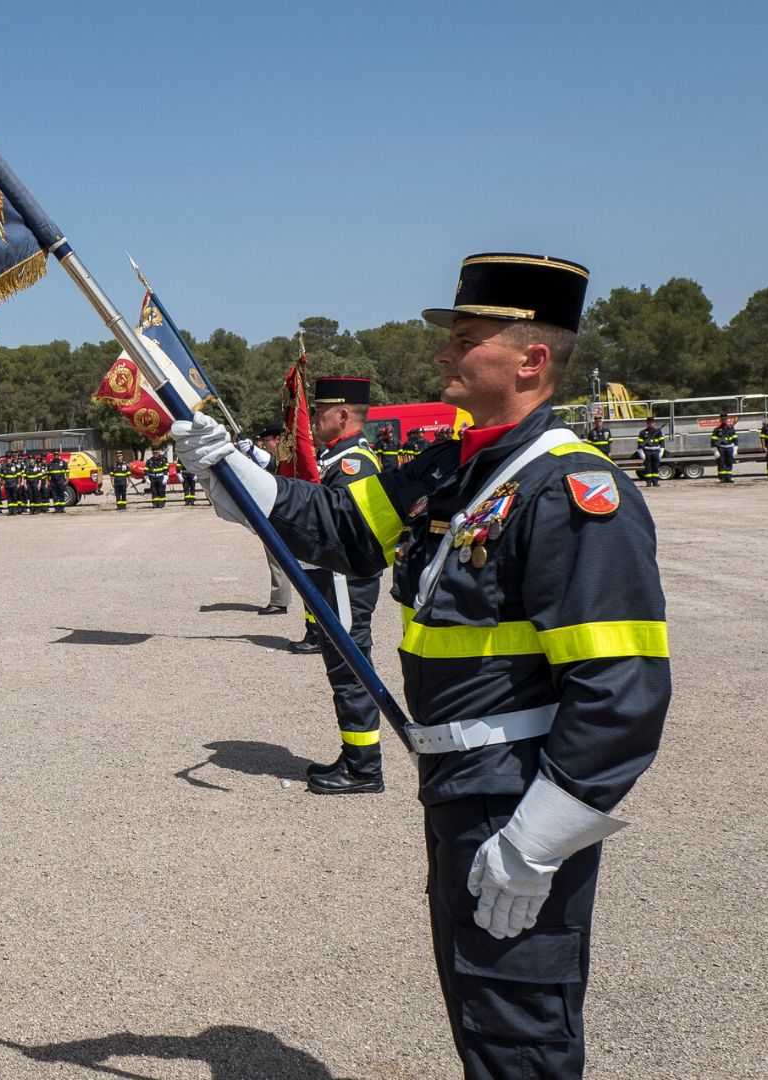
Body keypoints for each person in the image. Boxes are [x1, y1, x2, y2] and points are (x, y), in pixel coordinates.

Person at [175, 251, 668, 1079]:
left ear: (530, 359)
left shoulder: (571, 490)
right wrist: (232, 469)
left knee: (519, 1027)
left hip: (517, 795)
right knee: (482, 1008)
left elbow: (623, 693)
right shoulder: (458, 465)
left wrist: (539, 840)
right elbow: (336, 526)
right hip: (460, 784)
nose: (443, 354)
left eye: (466, 338)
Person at [297, 378, 388, 794]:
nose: (313, 420)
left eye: (319, 413)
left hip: (345, 583)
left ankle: (363, 769)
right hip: (338, 582)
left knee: (351, 671)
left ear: (344, 416)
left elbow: (353, 535)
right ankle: (356, 757)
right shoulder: (339, 459)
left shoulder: (354, 466)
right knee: (344, 670)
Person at [247, 424, 291, 615]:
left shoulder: (285, 457)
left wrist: (251, 451)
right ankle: (280, 599)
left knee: (276, 555)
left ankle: (280, 601)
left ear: (278, 439)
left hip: (286, 513)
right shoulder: (280, 458)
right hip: (280, 511)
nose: (264, 444)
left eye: (267, 440)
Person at [637, 415, 667, 487]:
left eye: (652, 422)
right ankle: (648, 482)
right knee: (648, 467)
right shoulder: (643, 432)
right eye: (649, 422)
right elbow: (639, 444)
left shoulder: (658, 432)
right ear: (647, 423)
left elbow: (662, 442)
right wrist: (641, 452)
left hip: (656, 451)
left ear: (654, 423)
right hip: (647, 451)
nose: (651, 424)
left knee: (656, 467)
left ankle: (655, 482)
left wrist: (662, 451)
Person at [711, 410, 738, 483]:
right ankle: (722, 478)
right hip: (721, 448)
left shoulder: (731, 429)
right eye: (722, 419)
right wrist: (716, 451)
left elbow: (735, 439)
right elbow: (713, 441)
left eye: (725, 419)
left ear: (727, 419)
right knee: (721, 464)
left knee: (729, 463)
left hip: (729, 448)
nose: (724, 420)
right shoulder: (717, 430)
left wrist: (735, 449)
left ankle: (728, 478)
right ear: (720, 420)